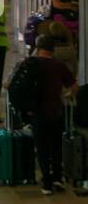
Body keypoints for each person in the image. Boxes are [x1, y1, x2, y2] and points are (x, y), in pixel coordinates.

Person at [31, 34, 76, 194]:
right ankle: (57, 178)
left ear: (38, 48)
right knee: (56, 145)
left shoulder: (31, 63)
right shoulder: (59, 65)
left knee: (42, 147)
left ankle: (46, 182)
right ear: (52, 49)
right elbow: (73, 85)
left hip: (37, 111)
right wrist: (66, 95)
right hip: (56, 110)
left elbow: (10, 83)